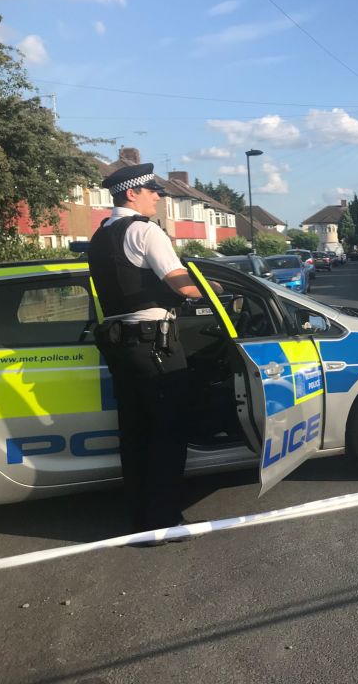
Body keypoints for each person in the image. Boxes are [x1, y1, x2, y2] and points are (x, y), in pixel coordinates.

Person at [89, 163, 218, 535]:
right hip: (153, 346)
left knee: (135, 433)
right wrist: (223, 290)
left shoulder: (102, 235)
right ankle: (163, 521)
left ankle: (140, 517)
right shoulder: (145, 232)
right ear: (132, 193)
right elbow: (182, 285)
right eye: (152, 191)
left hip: (120, 346)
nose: (158, 197)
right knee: (168, 431)